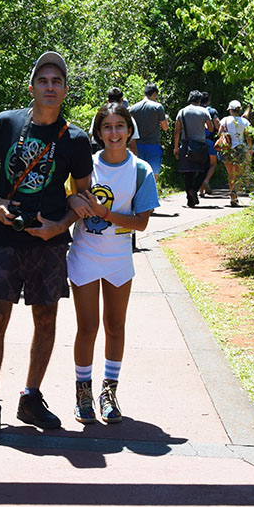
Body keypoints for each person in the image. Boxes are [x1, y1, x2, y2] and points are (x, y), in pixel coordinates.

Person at [0, 51, 94, 443]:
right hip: (6, 237)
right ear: (32, 87)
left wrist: (59, 225)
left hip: (50, 243)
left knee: (45, 321)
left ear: (65, 90)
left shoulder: (75, 139)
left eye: (57, 82)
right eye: (44, 81)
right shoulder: (7, 123)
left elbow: (85, 194)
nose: (50, 87)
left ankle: (31, 398)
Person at [67, 102, 159, 424]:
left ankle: (109, 392)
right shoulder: (85, 166)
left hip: (119, 258)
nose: (114, 132)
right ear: (98, 133)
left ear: (130, 130)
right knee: (87, 327)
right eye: (107, 127)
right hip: (85, 255)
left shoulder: (141, 171)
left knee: (115, 327)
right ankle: (83, 393)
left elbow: (142, 222)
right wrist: (74, 201)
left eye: (120, 126)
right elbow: (69, 196)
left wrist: (106, 214)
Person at [173, 91, 213, 207]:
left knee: (188, 173)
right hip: (200, 144)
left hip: (186, 144)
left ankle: (189, 200)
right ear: (199, 100)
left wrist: (176, 147)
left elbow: (177, 131)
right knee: (205, 168)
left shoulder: (182, 112)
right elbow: (210, 129)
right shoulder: (204, 111)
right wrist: (203, 125)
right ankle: (194, 189)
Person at [129, 83, 169, 183]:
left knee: (138, 173)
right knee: (154, 173)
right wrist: (166, 119)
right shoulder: (158, 107)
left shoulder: (132, 108)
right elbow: (165, 127)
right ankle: (151, 193)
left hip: (137, 146)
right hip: (153, 145)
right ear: (154, 93)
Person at [218, 100, 252, 207]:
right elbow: (248, 137)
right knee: (239, 174)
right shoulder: (245, 122)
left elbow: (219, 134)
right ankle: (234, 193)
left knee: (230, 174)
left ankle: (232, 194)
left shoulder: (225, 120)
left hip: (227, 149)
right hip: (240, 149)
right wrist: (250, 149)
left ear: (230, 110)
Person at [90, 87, 139, 155]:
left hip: (97, 148)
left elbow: (91, 136)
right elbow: (132, 145)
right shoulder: (128, 118)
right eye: (107, 127)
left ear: (107, 101)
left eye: (119, 126)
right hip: (118, 149)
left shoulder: (99, 116)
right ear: (121, 100)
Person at [199, 92, 220, 197]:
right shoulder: (212, 111)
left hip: (198, 141)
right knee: (213, 163)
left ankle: (200, 190)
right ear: (208, 101)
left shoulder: (196, 110)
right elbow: (217, 126)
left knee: (200, 164)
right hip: (210, 141)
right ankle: (206, 181)